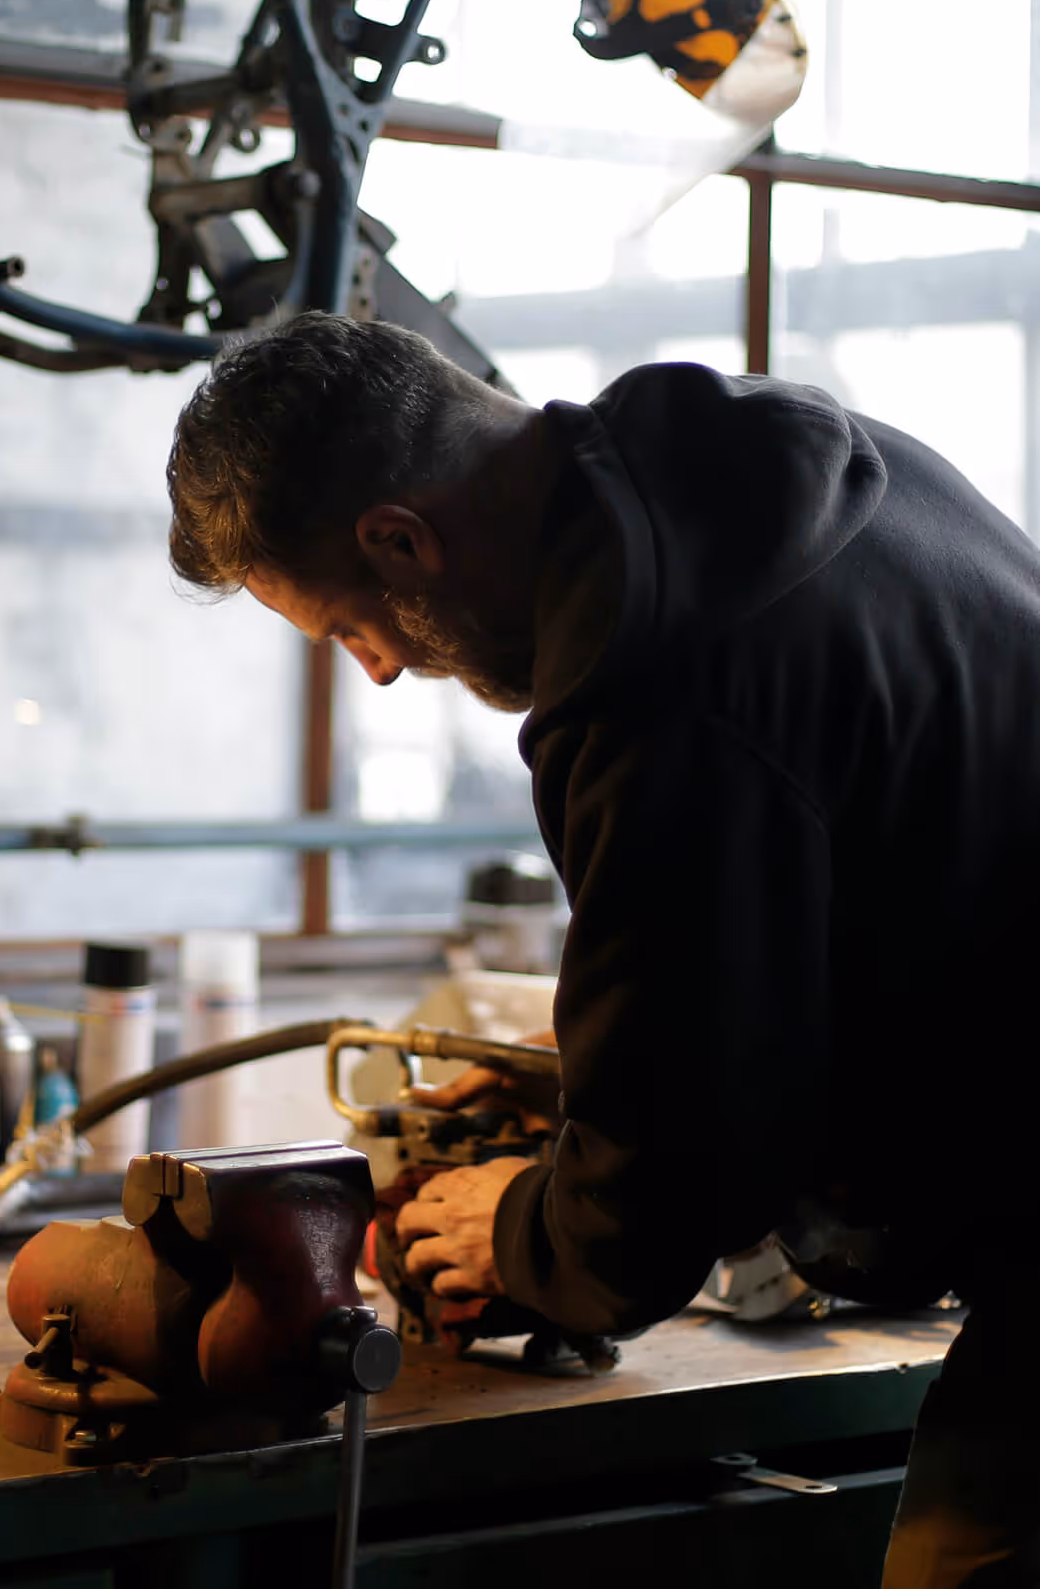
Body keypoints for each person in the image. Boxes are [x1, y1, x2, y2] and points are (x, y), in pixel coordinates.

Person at [167, 311, 1040, 1585]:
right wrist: (581, 1063)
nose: (380, 672)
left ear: (400, 540)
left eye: (349, 628)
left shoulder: (659, 680)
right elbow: (857, 912)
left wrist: (519, 1231)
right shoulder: (775, 462)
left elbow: (667, 1189)